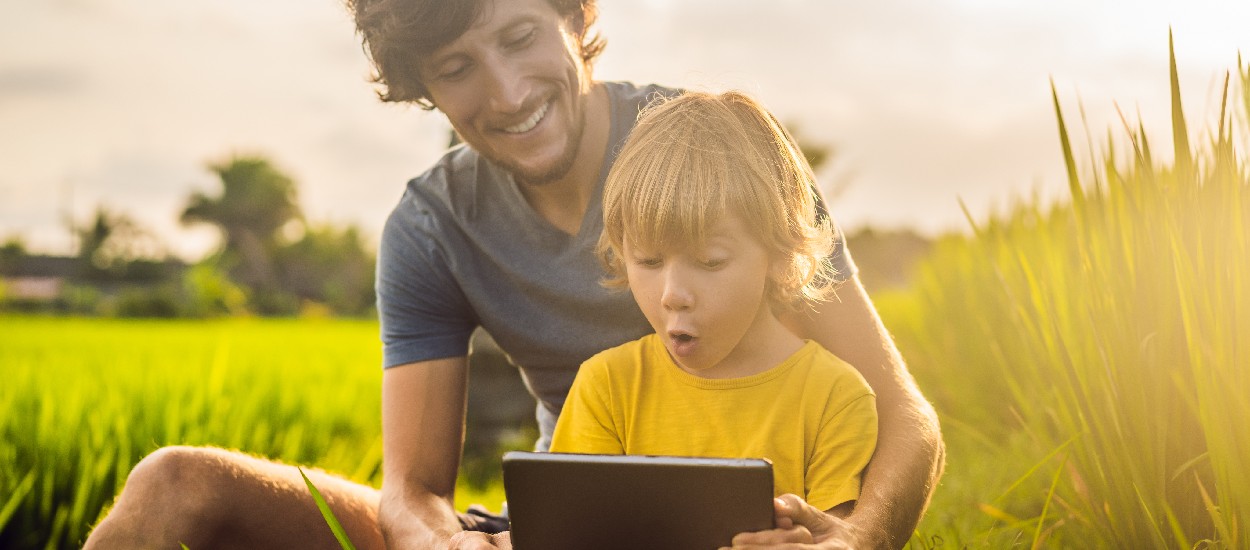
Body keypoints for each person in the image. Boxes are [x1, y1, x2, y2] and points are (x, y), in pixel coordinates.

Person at [83, 0, 944, 548]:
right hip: (555, 538)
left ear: (576, 16)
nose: (505, 93)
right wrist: (448, 544)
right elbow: (414, 491)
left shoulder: (711, 158)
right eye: (457, 68)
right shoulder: (430, 226)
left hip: (740, 534)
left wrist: (854, 542)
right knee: (171, 486)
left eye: (520, 36)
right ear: (424, 89)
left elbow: (906, 416)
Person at [548, 90, 879, 540]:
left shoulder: (835, 398)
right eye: (647, 261)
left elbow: (833, 539)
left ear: (780, 254)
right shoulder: (606, 387)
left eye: (709, 262)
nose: (673, 295)